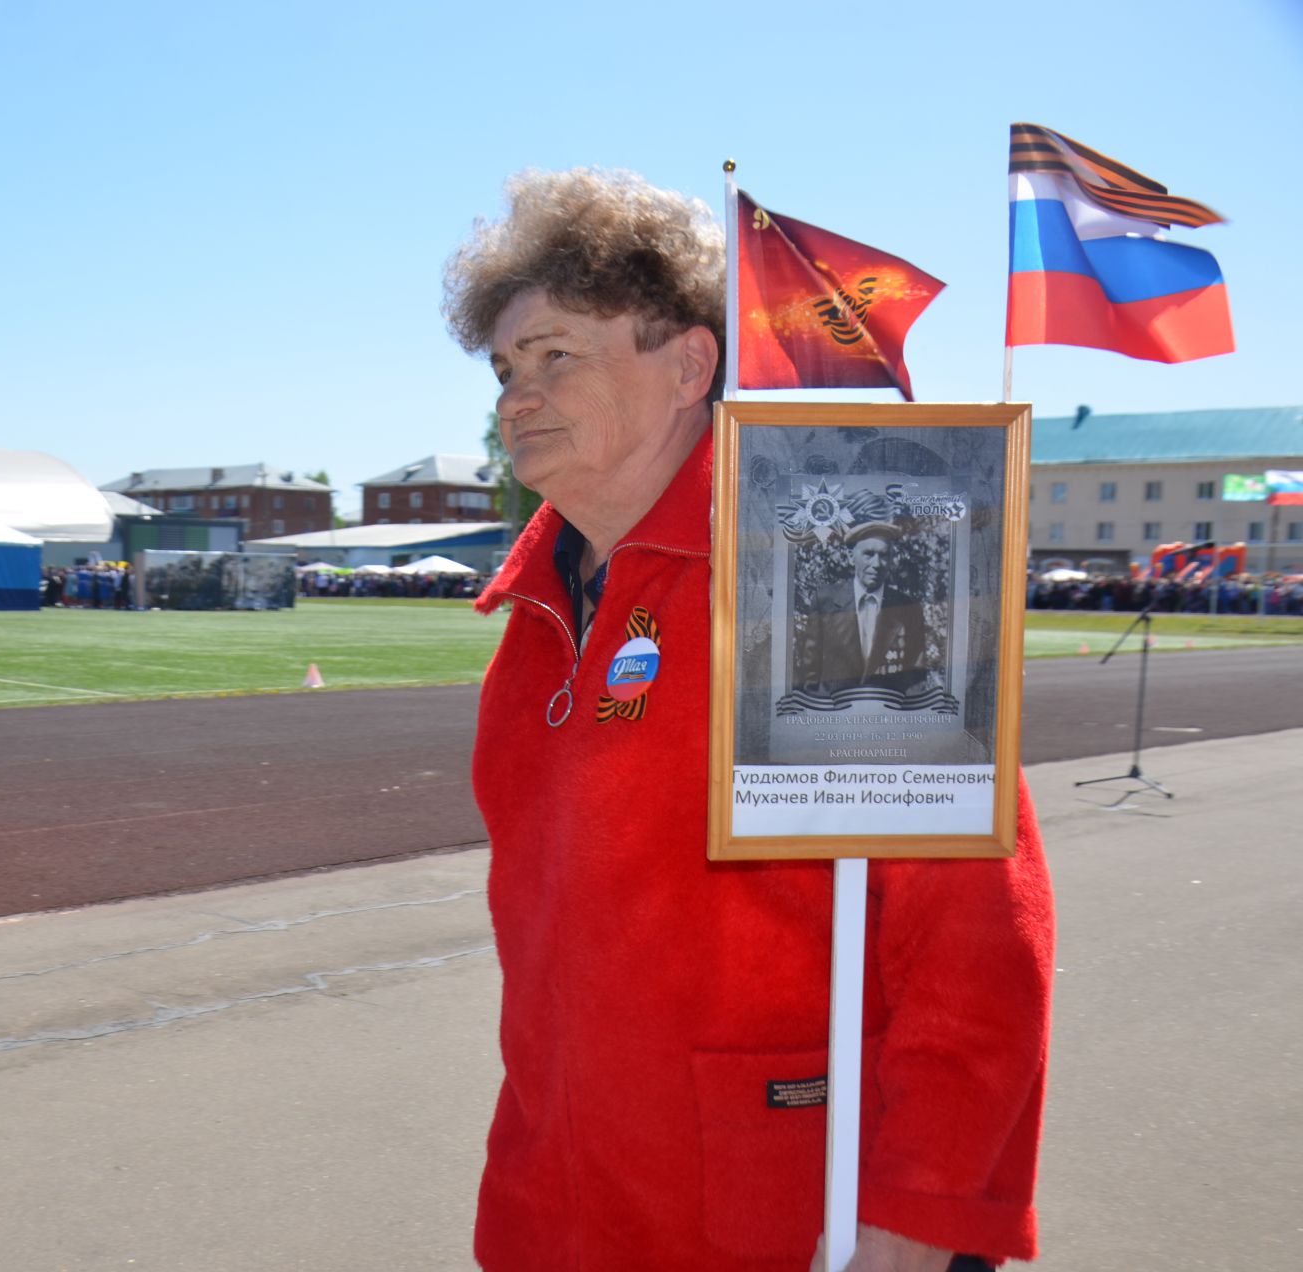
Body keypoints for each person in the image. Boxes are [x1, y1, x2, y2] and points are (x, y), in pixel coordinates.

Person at [444, 169, 1054, 1272]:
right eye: (503, 368)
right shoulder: (534, 618)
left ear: (690, 364)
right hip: (558, 1209)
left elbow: (977, 931)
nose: (514, 397)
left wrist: (922, 1215)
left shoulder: (826, 567)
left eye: (556, 356)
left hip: (781, 1218)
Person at [807, 521, 931, 699]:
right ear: (852, 557)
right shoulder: (825, 601)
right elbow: (810, 669)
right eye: (868, 554)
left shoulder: (907, 607)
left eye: (883, 555)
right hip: (834, 713)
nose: (877, 563)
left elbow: (916, 675)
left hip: (887, 715)